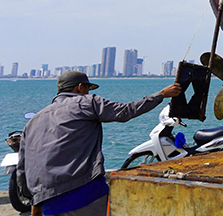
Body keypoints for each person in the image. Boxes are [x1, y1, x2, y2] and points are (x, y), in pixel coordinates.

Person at [17, 70, 182, 216]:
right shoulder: (86, 102)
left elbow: (23, 167)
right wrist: (161, 94)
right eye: (87, 89)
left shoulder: (32, 122)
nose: (88, 92)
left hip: (48, 203)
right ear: (80, 87)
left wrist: (35, 204)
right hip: (84, 193)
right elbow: (125, 112)